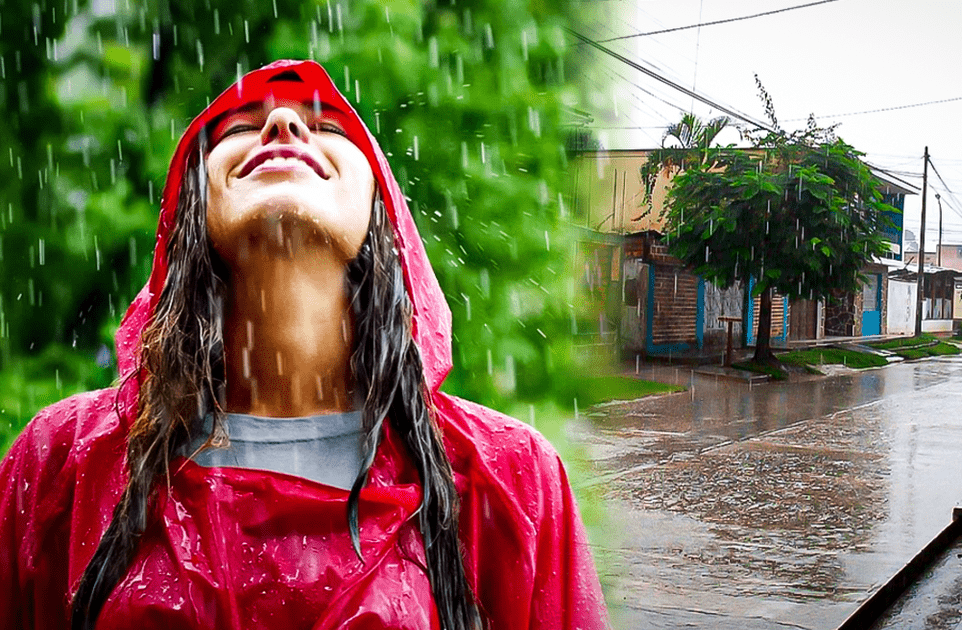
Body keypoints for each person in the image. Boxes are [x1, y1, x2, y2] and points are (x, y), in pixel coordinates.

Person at [0, 60, 608, 630]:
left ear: (382, 212)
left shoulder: (510, 480)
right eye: (240, 126)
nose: (282, 124)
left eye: (325, 125)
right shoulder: (60, 464)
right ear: (189, 213)